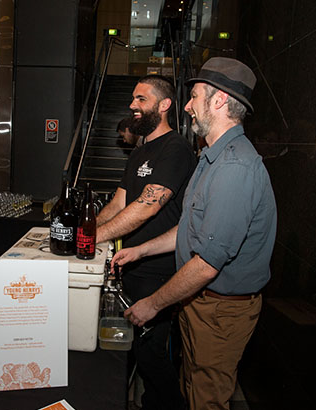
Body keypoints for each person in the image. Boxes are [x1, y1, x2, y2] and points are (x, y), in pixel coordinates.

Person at [112, 57, 277, 410]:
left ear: (218, 101)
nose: (187, 106)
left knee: (206, 399)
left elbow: (207, 263)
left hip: (221, 310)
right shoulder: (210, 157)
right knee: (190, 387)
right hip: (199, 302)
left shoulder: (234, 168)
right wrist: (139, 251)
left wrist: (152, 305)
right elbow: (188, 229)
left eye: (195, 96)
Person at [97, 75, 196, 410]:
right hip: (134, 264)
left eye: (141, 99)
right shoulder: (140, 152)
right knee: (137, 347)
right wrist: (88, 231)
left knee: (150, 350)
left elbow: (147, 207)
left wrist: (99, 236)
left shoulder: (176, 149)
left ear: (164, 105)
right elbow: (119, 203)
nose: (132, 106)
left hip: (159, 269)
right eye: (133, 99)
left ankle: (170, 405)